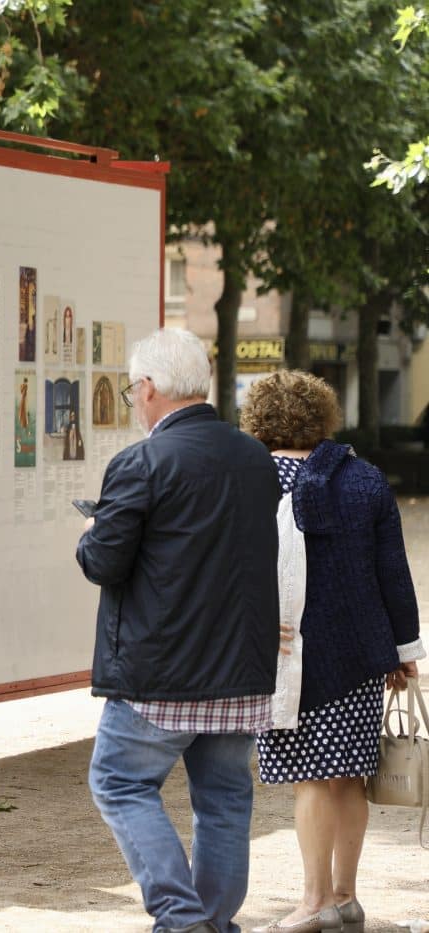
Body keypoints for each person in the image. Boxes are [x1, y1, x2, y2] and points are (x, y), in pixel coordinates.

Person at [76, 328, 281, 933]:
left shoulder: (141, 462)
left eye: (132, 390)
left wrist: (90, 535)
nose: (134, 401)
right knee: (225, 800)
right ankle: (211, 922)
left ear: (149, 388)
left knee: (118, 781)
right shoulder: (254, 457)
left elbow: (104, 563)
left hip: (161, 671)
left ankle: (181, 917)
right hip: (240, 667)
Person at [240, 371, 423, 933]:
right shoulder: (365, 478)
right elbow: (393, 572)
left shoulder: (254, 479)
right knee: (348, 779)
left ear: (259, 419)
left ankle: (314, 901)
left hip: (293, 654)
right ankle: (344, 896)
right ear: (322, 416)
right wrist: (404, 649)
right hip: (363, 654)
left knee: (313, 780)